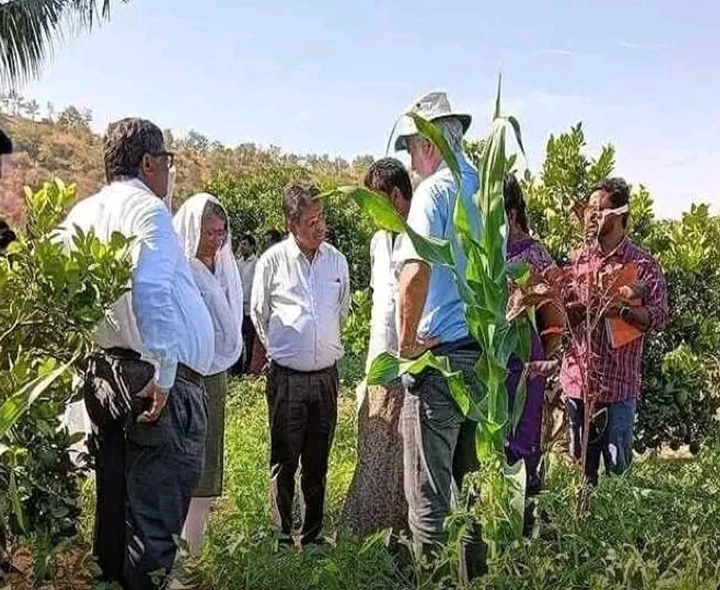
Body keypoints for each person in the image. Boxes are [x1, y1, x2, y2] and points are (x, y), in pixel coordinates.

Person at [54, 117, 215, 590]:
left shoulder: (80, 215)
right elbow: (151, 288)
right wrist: (163, 374)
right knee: (152, 531)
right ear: (148, 162)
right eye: (166, 160)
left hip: (111, 375)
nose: (168, 170)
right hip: (156, 381)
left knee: (114, 516)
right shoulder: (148, 210)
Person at [392, 91, 485, 582]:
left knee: (429, 493)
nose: (411, 159)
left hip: (442, 362)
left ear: (428, 144)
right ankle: (478, 577)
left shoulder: (435, 190)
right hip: (482, 361)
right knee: (470, 489)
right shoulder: (483, 188)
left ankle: (436, 580)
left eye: (411, 148)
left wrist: (407, 344)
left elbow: (415, 269)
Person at [251, 182, 350, 548]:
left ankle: (311, 536)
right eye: (311, 221)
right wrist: (287, 349)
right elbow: (259, 316)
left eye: (322, 218)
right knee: (284, 458)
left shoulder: (336, 260)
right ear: (291, 224)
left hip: (326, 378)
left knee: (318, 460)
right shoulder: (272, 261)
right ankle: (280, 535)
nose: (320, 227)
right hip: (287, 379)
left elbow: (340, 308)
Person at [560, 177, 668, 486]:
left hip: (618, 389)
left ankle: (618, 534)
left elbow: (659, 316)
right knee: (580, 476)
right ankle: (581, 530)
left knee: (619, 479)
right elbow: (564, 313)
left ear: (620, 213)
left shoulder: (643, 265)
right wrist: (579, 309)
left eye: (600, 208)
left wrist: (619, 310)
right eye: (589, 208)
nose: (592, 215)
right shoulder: (578, 260)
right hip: (578, 384)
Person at [342, 158, 412, 541]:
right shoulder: (377, 243)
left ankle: (401, 546)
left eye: (376, 201)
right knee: (371, 454)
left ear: (398, 197)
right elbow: (379, 307)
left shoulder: (420, 234)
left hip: (411, 367)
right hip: (378, 366)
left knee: (404, 465)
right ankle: (366, 540)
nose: (370, 211)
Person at [173, 193, 244, 556]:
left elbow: (234, 318)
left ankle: (193, 551)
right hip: (183, 376)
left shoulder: (225, 268)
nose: (216, 241)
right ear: (192, 231)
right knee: (178, 462)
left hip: (215, 377)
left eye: (221, 233)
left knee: (206, 464)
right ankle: (169, 552)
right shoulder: (180, 270)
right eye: (209, 233)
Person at [502, 173, 560, 533]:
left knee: (524, 441)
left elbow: (554, 317)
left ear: (511, 214)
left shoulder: (534, 254)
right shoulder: (485, 251)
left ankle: (527, 524)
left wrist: (545, 364)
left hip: (525, 359)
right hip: (491, 358)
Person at [247, 228, 284, 376]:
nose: (265, 245)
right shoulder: (264, 262)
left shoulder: (284, 263)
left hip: (279, 321)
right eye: (264, 242)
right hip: (264, 318)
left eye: (268, 242)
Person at [235, 233, 258, 374]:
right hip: (238, 307)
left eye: (245, 244)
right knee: (238, 339)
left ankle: (248, 368)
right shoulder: (237, 263)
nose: (242, 247)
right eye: (241, 244)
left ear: (252, 246)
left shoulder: (257, 263)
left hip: (250, 307)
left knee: (250, 341)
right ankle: (236, 369)